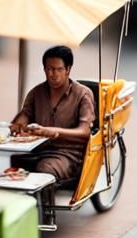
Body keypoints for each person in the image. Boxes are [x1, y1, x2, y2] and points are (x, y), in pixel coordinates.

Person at [10, 45, 95, 182]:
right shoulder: (35, 93)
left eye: (58, 69)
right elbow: (25, 114)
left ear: (68, 69)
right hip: (36, 149)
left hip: (69, 154)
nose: (53, 74)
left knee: (44, 169)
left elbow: (84, 131)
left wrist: (53, 131)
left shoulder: (83, 94)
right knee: (12, 166)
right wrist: (19, 124)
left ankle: (45, 202)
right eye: (49, 69)